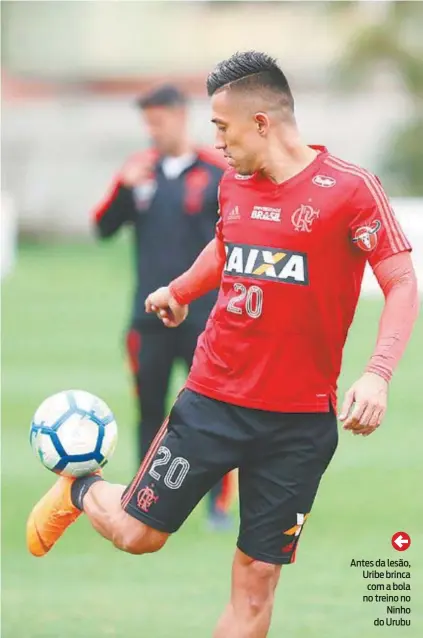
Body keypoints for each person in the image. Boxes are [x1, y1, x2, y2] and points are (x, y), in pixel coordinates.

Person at [27, 52, 418, 638]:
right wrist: (180, 290)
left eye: (222, 127)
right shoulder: (235, 183)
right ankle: (79, 489)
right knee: (139, 536)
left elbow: (401, 281)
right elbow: (228, 243)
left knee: (257, 579)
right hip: (214, 400)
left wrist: (378, 372)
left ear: (261, 123)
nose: (217, 140)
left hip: (300, 422)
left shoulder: (351, 190)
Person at [92, 84, 233, 529]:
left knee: (210, 412)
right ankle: (144, 498)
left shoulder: (215, 173)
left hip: (205, 319)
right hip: (147, 316)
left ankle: (216, 505)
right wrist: (121, 189)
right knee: (150, 410)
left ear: (179, 117)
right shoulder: (139, 173)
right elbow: (103, 228)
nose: (153, 129)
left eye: (159, 120)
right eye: (147, 122)